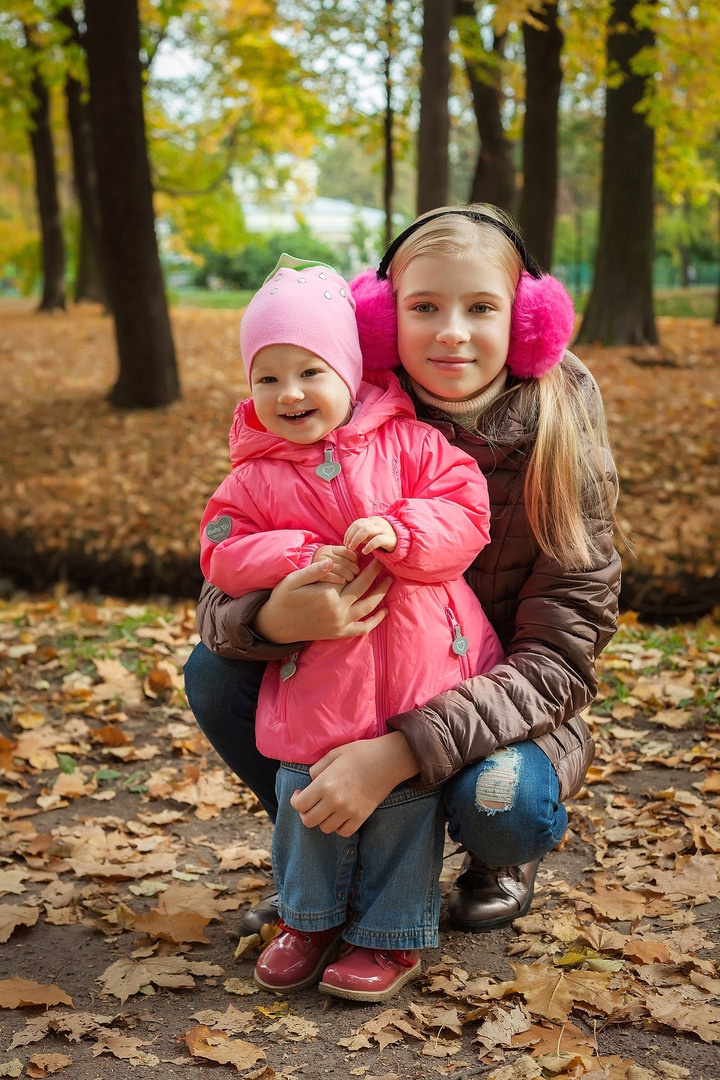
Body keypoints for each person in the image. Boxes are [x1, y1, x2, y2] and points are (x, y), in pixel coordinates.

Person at [185, 204, 620, 981]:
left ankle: (492, 861)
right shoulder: (335, 408)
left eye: (481, 307)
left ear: (526, 324)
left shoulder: (561, 443)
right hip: (356, 680)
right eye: (424, 307)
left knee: (501, 801)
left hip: (505, 702)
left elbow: (561, 657)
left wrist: (400, 752)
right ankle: (321, 869)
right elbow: (224, 573)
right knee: (214, 671)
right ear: (381, 326)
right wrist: (277, 616)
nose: (451, 331)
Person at [199, 256, 504, 1001]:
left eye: (309, 370)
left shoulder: (414, 445)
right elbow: (221, 546)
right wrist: (294, 554)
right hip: (320, 683)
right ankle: (308, 919)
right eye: (266, 378)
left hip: (415, 673)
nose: (288, 393)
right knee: (306, 794)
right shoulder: (254, 475)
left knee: (404, 807)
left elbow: (465, 511)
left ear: (349, 370)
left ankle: (388, 937)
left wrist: (400, 531)